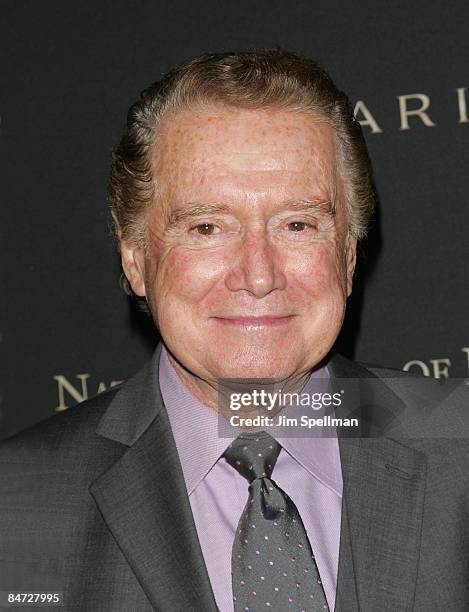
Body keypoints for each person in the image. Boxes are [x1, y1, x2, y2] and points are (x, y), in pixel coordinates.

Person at [1, 50, 468, 612]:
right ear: (134, 258)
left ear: (347, 256)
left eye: (297, 224)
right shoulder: (18, 503)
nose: (259, 274)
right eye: (206, 227)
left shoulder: (459, 448)